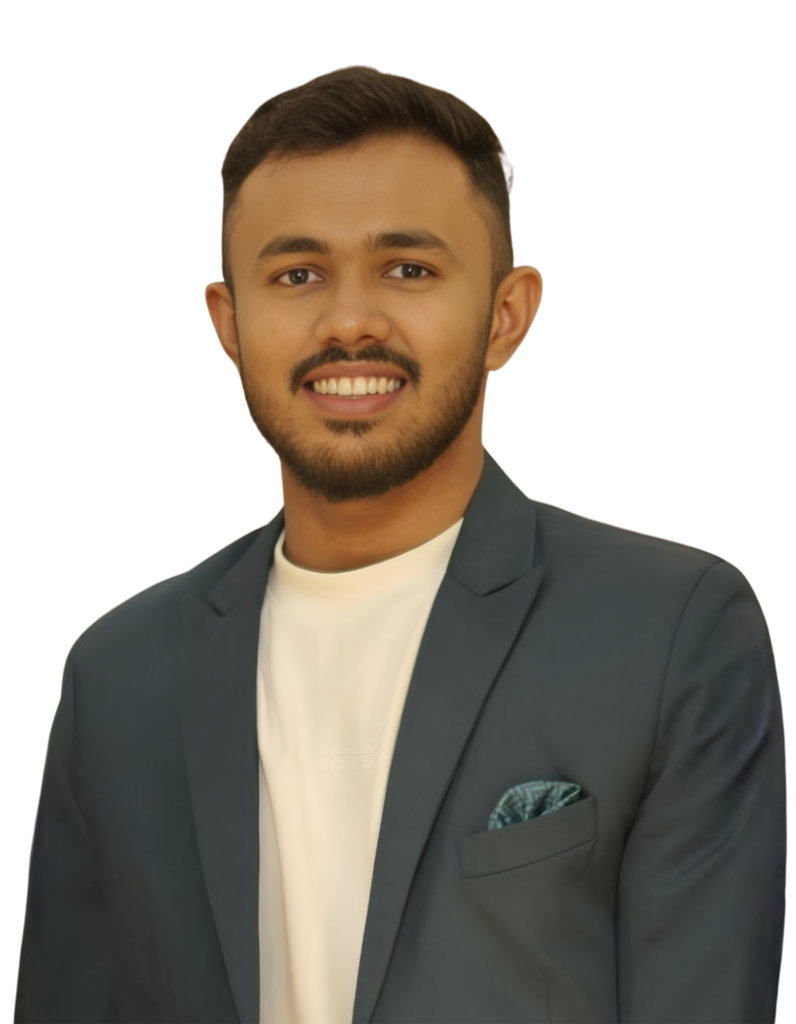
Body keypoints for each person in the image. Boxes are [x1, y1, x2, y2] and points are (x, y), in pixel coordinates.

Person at [14, 65, 786, 1024]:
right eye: (297, 275)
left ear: (507, 315)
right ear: (228, 324)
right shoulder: (116, 675)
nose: (350, 321)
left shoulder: (670, 630)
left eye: (408, 269)